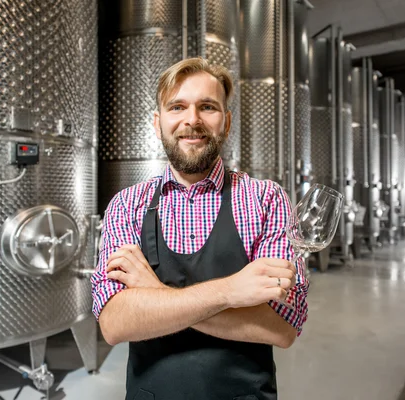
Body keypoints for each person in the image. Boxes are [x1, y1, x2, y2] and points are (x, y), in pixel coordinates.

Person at [91, 57, 309, 400]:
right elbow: (116, 324)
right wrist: (230, 292)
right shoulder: (127, 205)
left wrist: (155, 294)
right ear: (158, 122)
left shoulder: (266, 200)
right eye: (177, 107)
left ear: (226, 122)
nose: (192, 120)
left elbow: (281, 329)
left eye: (207, 107)